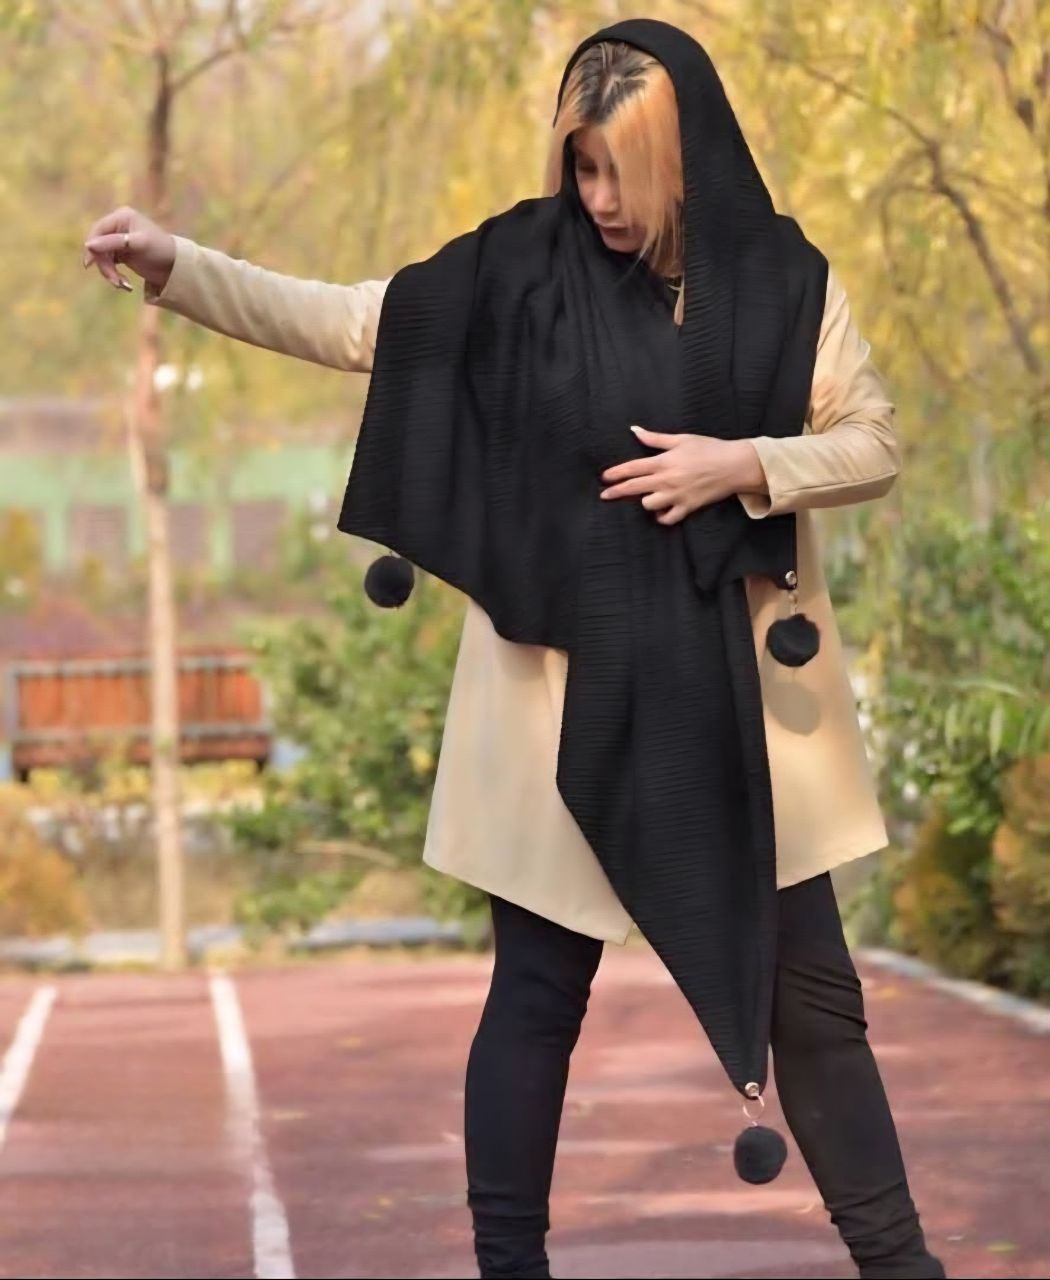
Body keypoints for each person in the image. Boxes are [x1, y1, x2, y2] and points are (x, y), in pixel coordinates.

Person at [82, 17, 947, 1280]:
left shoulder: (787, 285)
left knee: (812, 1000)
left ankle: (903, 1263)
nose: (600, 199)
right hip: (557, 692)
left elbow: (871, 442)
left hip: (739, 706)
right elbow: (357, 322)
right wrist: (180, 267)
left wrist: (743, 465)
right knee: (537, 996)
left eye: (623, 173)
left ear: (685, 160)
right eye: (580, 167)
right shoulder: (514, 275)